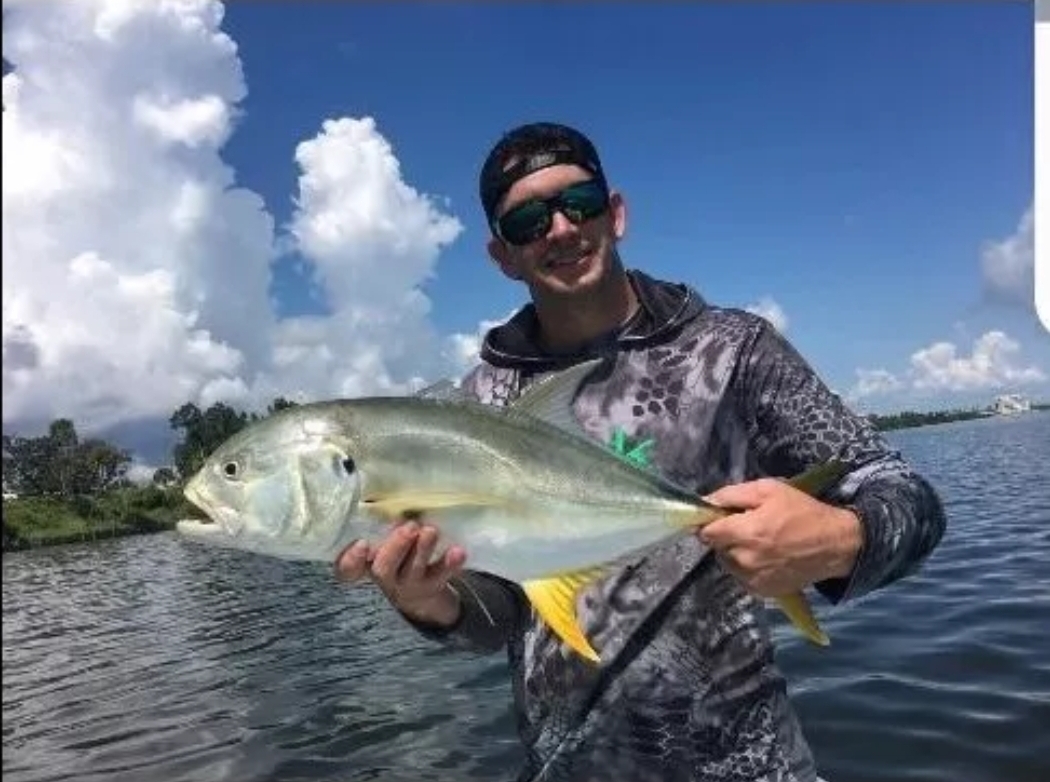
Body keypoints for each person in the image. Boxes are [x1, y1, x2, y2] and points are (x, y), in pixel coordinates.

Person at [334, 121, 947, 782]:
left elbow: (907, 497)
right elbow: (505, 612)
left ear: (616, 213)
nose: (561, 229)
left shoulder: (732, 350)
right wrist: (434, 604)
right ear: (503, 256)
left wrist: (840, 537)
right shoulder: (480, 403)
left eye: (581, 202)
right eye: (529, 221)